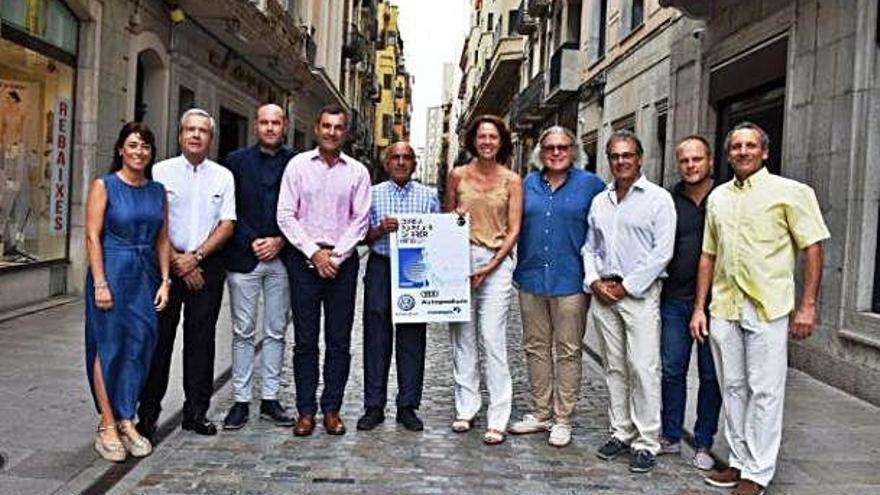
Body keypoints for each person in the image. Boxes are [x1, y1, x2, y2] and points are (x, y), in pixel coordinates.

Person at [691, 122, 829, 495]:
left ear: (765, 152)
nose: (743, 151)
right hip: (724, 307)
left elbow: (813, 248)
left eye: (751, 146)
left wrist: (808, 305)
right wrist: (699, 308)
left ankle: (758, 473)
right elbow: (708, 255)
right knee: (733, 387)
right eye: (736, 146)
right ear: (728, 154)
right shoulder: (718, 197)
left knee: (765, 391)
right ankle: (738, 461)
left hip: (767, 307)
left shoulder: (792, 192)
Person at [137, 108, 236, 440]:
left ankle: (196, 413)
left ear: (211, 138)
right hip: (165, 266)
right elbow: (153, 223)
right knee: (159, 342)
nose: (196, 135)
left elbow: (227, 224)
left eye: (203, 131)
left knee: (200, 342)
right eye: (190, 130)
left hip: (206, 266)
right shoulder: (160, 171)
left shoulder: (223, 176)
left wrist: (195, 258)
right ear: (180, 136)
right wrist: (177, 261)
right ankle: (147, 415)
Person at [582, 129, 676, 473]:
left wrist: (628, 286)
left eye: (627, 155)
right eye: (615, 156)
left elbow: (662, 252)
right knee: (614, 366)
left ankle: (647, 441)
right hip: (603, 294)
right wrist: (593, 281)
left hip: (639, 295)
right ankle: (621, 431)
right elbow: (589, 247)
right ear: (609, 160)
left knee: (643, 367)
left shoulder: (658, 199)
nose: (621, 161)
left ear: (640, 158)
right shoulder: (600, 201)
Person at [277, 105, 370, 437]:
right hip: (304, 261)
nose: (332, 132)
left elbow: (360, 220)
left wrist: (336, 256)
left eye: (339, 127)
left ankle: (332, 409)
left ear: (346, 132)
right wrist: (315, 253)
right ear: (317, 129)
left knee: (339, 341)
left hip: (342, 266)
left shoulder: (358, 172)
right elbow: (286, 215)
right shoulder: (297, 166)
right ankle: (306, 411)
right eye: (327, 126)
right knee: (304, 341)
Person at [509, 126, 604, 448]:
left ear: (574, 150)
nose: (556, 152)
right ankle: (540, 413)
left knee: (568, 350)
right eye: (550, 147)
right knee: (535, 348)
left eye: (563, 147)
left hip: (571, 281)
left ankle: (563, 418)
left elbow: (606, 230)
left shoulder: (592, 186)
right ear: (540, 151)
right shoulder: (527, 185)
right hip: (531, 277)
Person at [85, 122, 170, 461]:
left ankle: (126, 417)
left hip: (145, 274)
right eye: (133, 145)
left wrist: (165, 280)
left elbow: (163, 237)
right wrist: (101, 282)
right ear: (121, 148)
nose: (139, 152)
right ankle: (107, 423)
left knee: (139, 346)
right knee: (109, 346)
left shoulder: (157, 190)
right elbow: (92, 236)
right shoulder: (104, 186)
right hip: (113, 271)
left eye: (145, 147)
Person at [444, 114, 522, 446]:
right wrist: (453, 217)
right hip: (460, 260)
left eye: (493, 137)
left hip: (498, 261)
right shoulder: (457, 175)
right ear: (473, 141)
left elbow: (515, 228)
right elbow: (447, 219)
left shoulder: (512, 180)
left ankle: (498, 416)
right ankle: (467, 407)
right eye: (481, 137)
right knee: (462, 335)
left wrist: (490, 267)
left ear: (501, 141)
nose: (487, 142)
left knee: (492, 338)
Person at [356, 141, 440, 433]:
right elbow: (359, 235)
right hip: (380, 266)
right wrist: (380, 230)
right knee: (376, 336)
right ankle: (374, 406)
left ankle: (407, 406)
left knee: (413, 336)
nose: (401, 162)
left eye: (407, 157)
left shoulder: (429, 196)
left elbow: (440, 236)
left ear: (415, 164)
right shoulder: (372, 194)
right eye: (396, 157)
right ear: (386, 162)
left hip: (415, 267)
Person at [221, 104, 296, 430]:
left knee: (276, 331)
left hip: (283, 258)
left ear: (285, 126)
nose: (269, 128)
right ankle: (240, 400)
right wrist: (252, 240)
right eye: (264, 122)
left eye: (275, 122)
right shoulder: (235, 162)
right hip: (243, 257)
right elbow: (228, 208)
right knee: (242, 332)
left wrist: (279, 240)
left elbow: (301, 209)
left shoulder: (297, 163)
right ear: (255, 125)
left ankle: (269, 398)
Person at [658, 136, 723, 470]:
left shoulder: (725, 196)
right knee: (671, 370)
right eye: (684, 160)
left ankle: (703, 442)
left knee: (711, 376)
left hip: (719, 304)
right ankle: (670, 435)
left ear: (710, 161)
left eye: (697, 159)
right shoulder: (668, 200)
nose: (691, 166)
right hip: (674, 300)